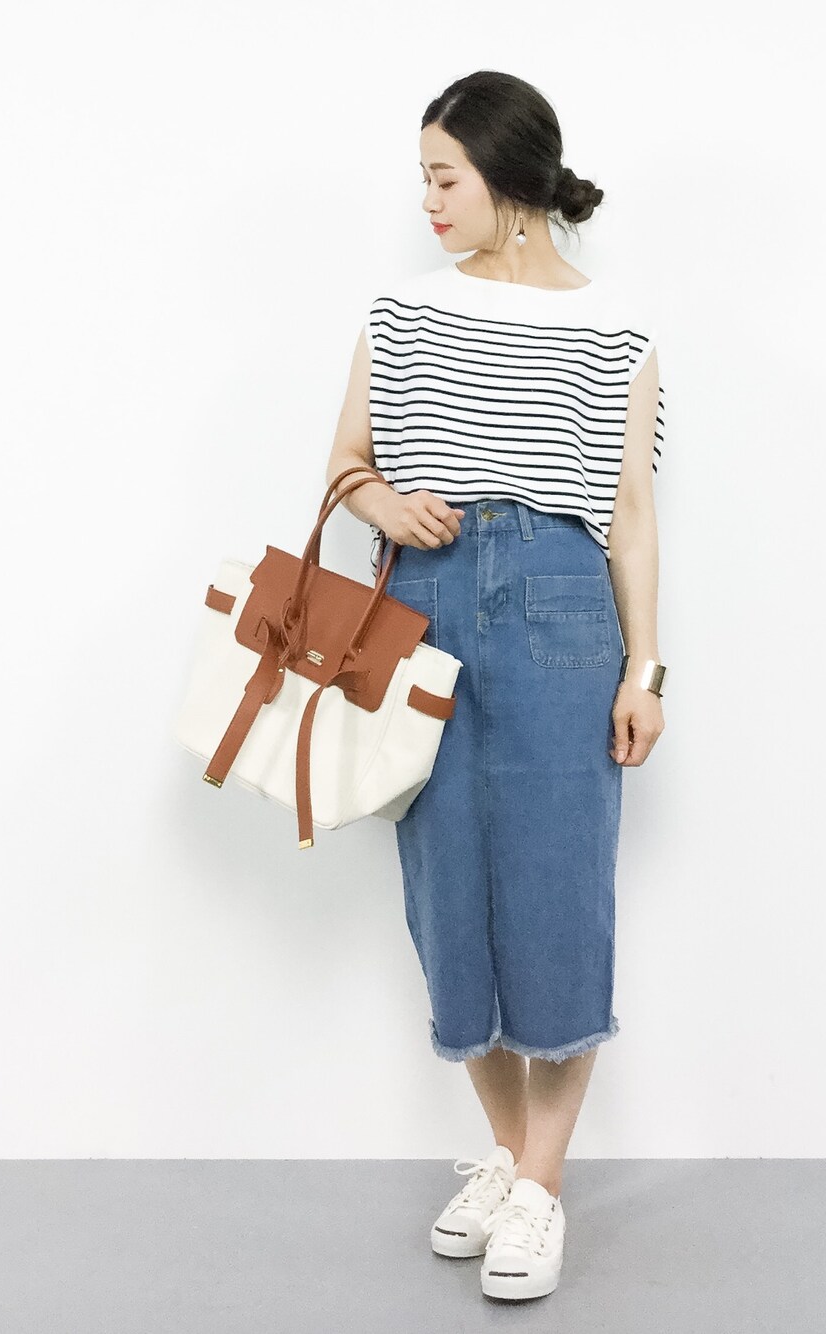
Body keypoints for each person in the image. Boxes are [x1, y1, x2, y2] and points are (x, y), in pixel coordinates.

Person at [325, 69, 667, 1303]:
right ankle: (518, 1161)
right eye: (423, 178)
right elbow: (345, 465)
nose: (426, 201)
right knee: (447, 895)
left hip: (564, 609)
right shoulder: (402, 310)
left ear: (509, 179)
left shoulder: (615, 328)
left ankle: (539, 1182)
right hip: (424, 606)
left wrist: (644, 668)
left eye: (444, 177)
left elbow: (630, 514)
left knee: (559, 892)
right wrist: (386, 504)